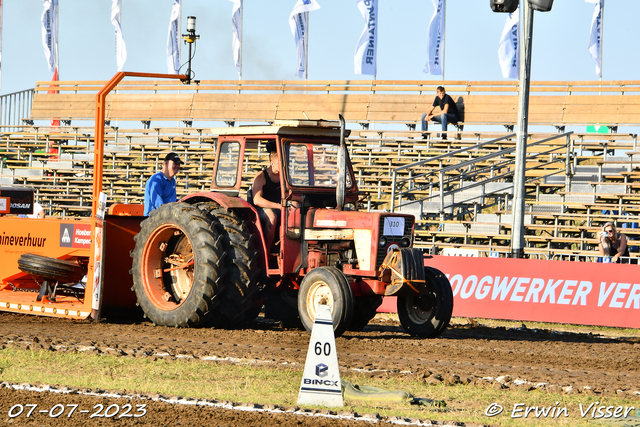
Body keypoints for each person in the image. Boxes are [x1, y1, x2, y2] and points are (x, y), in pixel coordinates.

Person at [252, 142, 281, 251]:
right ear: (272, 163)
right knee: (272, 218)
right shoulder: (261, 176)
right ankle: (266, 252)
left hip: (280, 206)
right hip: (263, 208)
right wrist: (278, 206)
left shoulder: (284, 177)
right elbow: (257, 200)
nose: (283, 165)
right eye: (279, 163)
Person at [144, 152, 182, 216]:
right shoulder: (156, 180)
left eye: (179, 164)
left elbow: (171, 201)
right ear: (166, 164)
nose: (178, 166)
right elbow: (158, 204)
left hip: (165, 215)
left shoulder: (172, 181)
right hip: (154, 218)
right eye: (175, 163)